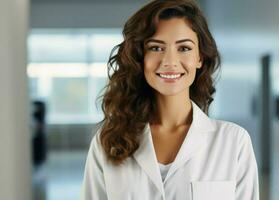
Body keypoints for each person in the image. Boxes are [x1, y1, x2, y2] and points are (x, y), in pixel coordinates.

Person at [80, 0, 259, 199]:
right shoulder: (109, 142)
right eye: (156, 48)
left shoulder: (234, 142)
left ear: (199, 57)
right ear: (140, 57)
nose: (170, 62)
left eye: (184, 48)